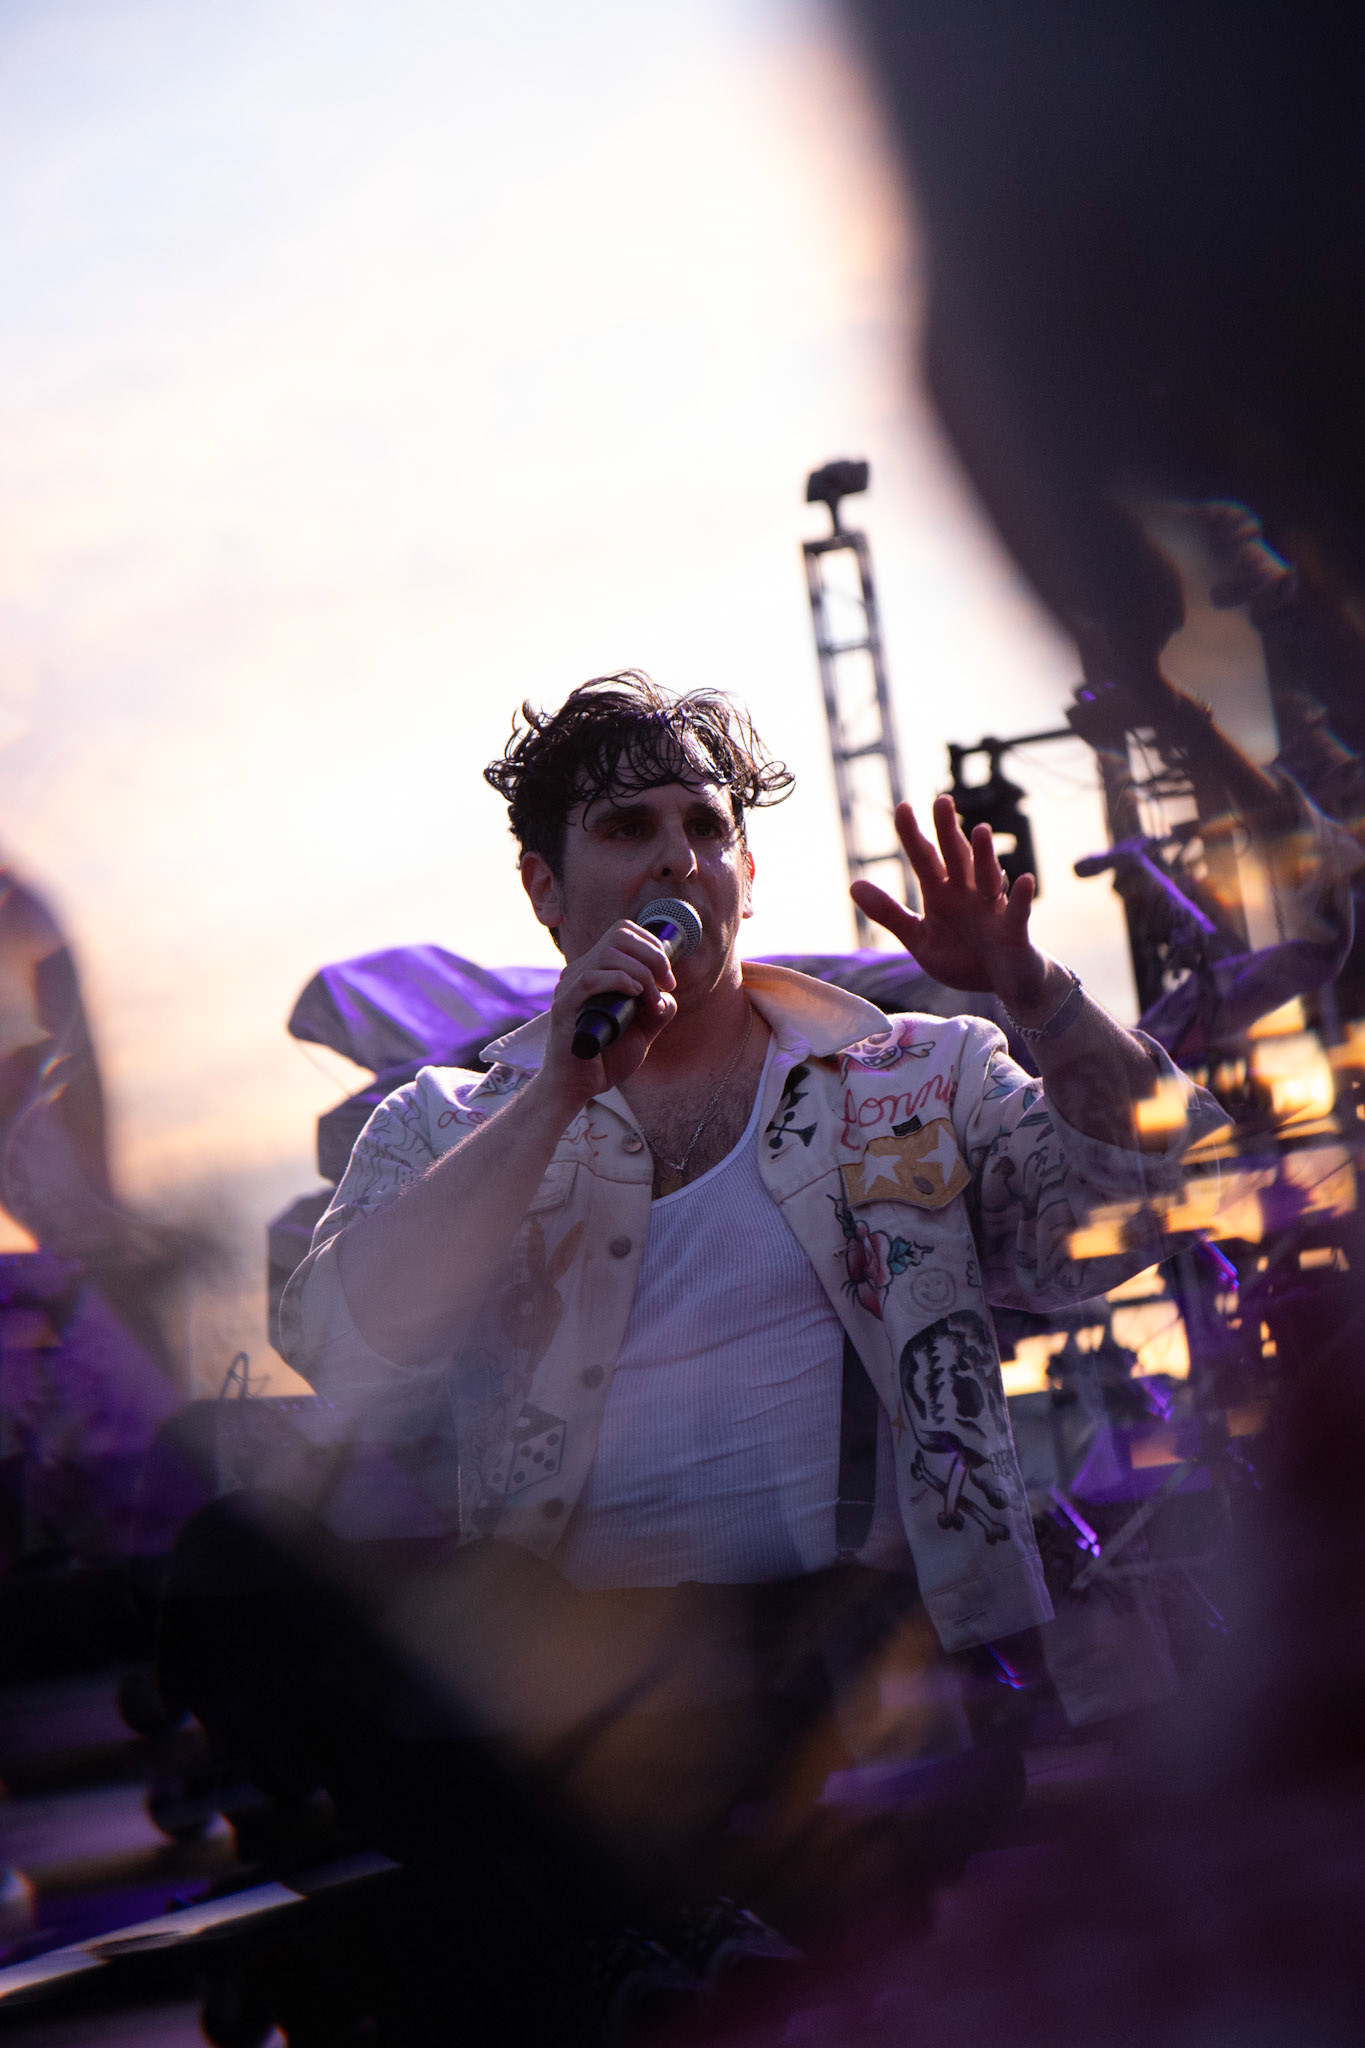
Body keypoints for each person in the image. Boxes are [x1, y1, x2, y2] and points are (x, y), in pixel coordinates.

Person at [277, 672, 1221, 1882]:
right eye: (629, 827)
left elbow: (1150, 1193)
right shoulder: (442, 1124)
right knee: (238, 1572)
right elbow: (345, 1343)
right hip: (592, 1694)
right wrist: (559, 1092)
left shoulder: (911, 1076)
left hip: (856, 1663)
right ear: (545, 889)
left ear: (747, 872)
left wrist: (1039, 993)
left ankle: (653, 1934)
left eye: (706, 826)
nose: (679, 857)